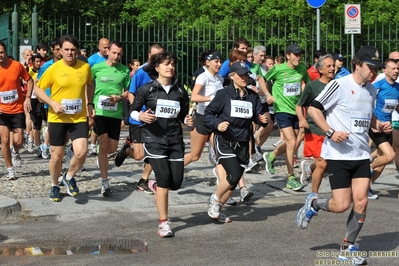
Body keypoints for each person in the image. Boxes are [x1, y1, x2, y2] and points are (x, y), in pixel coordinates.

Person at [296, 46, 390, 266]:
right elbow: (313, 110)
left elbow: (366, 117)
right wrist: (330, 131)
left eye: (377, 69)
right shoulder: (339, 84)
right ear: (357, 64)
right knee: (341, 205)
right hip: (338, 154)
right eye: (370, 68)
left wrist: (378, 125)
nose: (373, 73)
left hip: (360, 155)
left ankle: (348, 247)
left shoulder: (372, 90)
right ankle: (314, 205)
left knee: (362, 201)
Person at [129, 51, 193, 237]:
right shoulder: (147, 89)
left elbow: (182, 115)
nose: (170, 67)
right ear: (157, 67)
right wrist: (140, 116)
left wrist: (187, 121)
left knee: (176, 182)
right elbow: (131, 112)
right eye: (166, 63)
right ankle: (163, 223)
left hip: (175, 140)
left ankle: (157, 187)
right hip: (153, 139)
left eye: (172, 64)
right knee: (164, 179)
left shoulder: (180, 91)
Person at [205, 61, 268, 223]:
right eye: (240, 75)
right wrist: (217, 124)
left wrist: (263, 119)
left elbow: (259, 116)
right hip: (224, 139)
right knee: (233, 174)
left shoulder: (252, 96)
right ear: (232, 76)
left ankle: (217, 209)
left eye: (246, 74)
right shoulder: (223, 94)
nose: (244, 77)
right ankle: (215, 199)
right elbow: (208, 113)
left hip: (243, 141)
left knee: (233, 183)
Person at [35, 34, 94, 202]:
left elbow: (90, 83)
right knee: (56, 157)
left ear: (77, 51)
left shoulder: (84, 67)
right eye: (66, 49)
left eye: (72, 50)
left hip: (78, 117)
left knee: (82, 151)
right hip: (57, 118)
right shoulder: (53, 68)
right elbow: (38, 89)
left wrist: (89, 104)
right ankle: (54, 185)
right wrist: (51, 102)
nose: (69, 53)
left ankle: (68, 177)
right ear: (60, 50)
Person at [114, 44, 164, 194]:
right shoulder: (141, 73)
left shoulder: (166, 73)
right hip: (139, 119)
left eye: (160, 56)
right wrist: (137, 111)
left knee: (154, 152)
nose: (157, 59)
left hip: (156, 120)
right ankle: (125, 151)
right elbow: (130, 93)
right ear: (149, 56)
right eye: (154, 56)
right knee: (139, 155)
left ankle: (143, 180)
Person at [262, 44, 311, 191]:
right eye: (295, 54)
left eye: (300, 54)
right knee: (291, 142)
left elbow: (307, 83)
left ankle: (271, 156)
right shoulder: (277, 69)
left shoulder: (302, 69)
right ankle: (291, 178)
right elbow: (262, 80)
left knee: (294, 141)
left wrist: (304, 96)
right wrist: (268, 94)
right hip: (281, 109)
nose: (298, 57)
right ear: (288, 55)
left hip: (296, 109)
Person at [91, 41, 130, 196]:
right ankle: (104, 181)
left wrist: (120, 97)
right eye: (114, 52)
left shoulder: (124, 71)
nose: (116, 56)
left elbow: (128, 92)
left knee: (112, 149)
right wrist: (90, 105)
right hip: (100, 111)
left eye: (119, 53)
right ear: (108, 52)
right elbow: (88, 84)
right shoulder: (96, 68)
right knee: (104, 144)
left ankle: (106, 155)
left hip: (115, 113)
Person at [296, 54, 335, 192]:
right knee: (322, 164)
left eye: (333, 66)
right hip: (314, 129)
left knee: (330, 165)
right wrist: (301, 119)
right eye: (328, 66)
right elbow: (299, 105)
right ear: (320, 70)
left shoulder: (337, 85)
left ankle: (309, 167)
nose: (332, 69)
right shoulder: (312, 86)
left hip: (332, 131)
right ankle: (313, 196)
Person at [0, 41, 33, 180]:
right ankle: (10, 169)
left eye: (1, 52)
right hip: (2, 110)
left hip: (17, 108)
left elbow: (29, 80)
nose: (0, 55)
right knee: (5, 140)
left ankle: (15, 151)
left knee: (18, 142)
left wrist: (27, 98)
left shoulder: (16, 65)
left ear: (6, 52)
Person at [368, 58, 399, 199]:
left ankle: (366, 187)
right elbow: (367, 105)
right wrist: (376, 122)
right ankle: (366, 169)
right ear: (384, 71)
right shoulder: (377, 86)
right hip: (375, 127)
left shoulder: (398, 88)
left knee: (383, 162)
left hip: (388, 127)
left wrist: (391, 124)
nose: (396, 71)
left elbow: (396, 107)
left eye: (397, 69)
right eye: (393, 68)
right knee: (390, 155)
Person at [36, 38, 63, 159]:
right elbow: (38, 83)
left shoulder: (69, 64)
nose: (59, 52)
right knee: (54, 126)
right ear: (52, 50)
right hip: (50, 101)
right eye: (57, 49)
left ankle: (48, 145)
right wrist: (41, 97)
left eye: (60, 49)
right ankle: (48, 146)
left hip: (65, 101)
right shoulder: (46, 66)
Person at [87, 38, 110, 156]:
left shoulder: (111, 59)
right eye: (104, 47)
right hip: (95, 95)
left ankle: (96, 145)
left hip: (108, 97)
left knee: (101, 121)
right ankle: (85, 141)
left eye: (108, 47)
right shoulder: (92, 60)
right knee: (92, 120)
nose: (107, 50)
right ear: (99, 47)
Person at [27, 53, 44, 156]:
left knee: (46, 123)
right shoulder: (28, 71)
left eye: (39, 61)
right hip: (33, 99)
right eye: (36, 61)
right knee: (36, 123)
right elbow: (25, 81)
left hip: (43, 99)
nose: (38, 63)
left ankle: (44, 144)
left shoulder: (43, 70)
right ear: (32, 62)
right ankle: (38, 147)